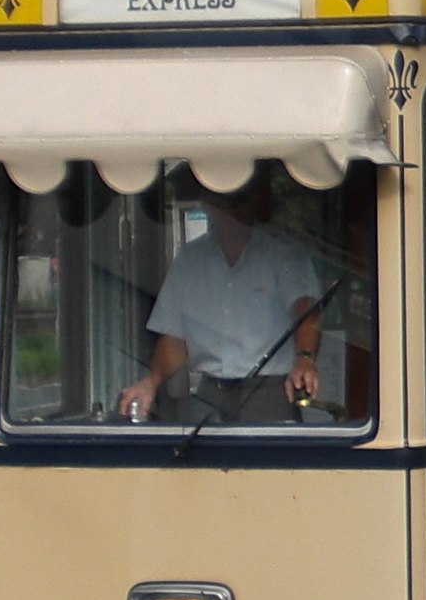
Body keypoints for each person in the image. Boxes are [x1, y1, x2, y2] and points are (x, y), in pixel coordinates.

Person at [117, 169, 326, 425]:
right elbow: (175, 337)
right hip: (210, 393)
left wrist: (304, 359)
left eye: (238, 202)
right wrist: (151, 382)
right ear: (207, 206)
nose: (231, 212)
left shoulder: (282, 254)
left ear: (252, 204)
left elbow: (305, 311)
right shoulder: (190, 260)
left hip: (268, 391)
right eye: (221, 204)